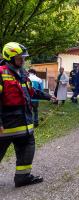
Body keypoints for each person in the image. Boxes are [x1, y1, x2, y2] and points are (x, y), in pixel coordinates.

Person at [0, 42, 55, 187]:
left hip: (24, 125)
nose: (23, 60)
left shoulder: (23, 74)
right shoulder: (1, 74)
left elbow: (31, 92)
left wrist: (48, 96)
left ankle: (22, 178)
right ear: (9, 58)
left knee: (27, 150)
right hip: (5, 127)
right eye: (20, 58)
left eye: (23, 58)